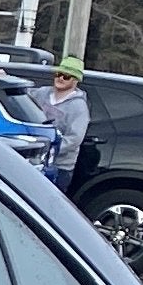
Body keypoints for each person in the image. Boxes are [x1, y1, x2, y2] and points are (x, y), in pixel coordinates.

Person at [42, 58, 93, 190]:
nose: (61, 79)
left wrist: (48, 150)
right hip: (36, 163)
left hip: (60, 168)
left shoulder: (79, 107)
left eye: (66, 76)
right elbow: (18, 93)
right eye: (58, 74)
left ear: (76, 81)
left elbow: (74, 139)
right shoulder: (42, 93)